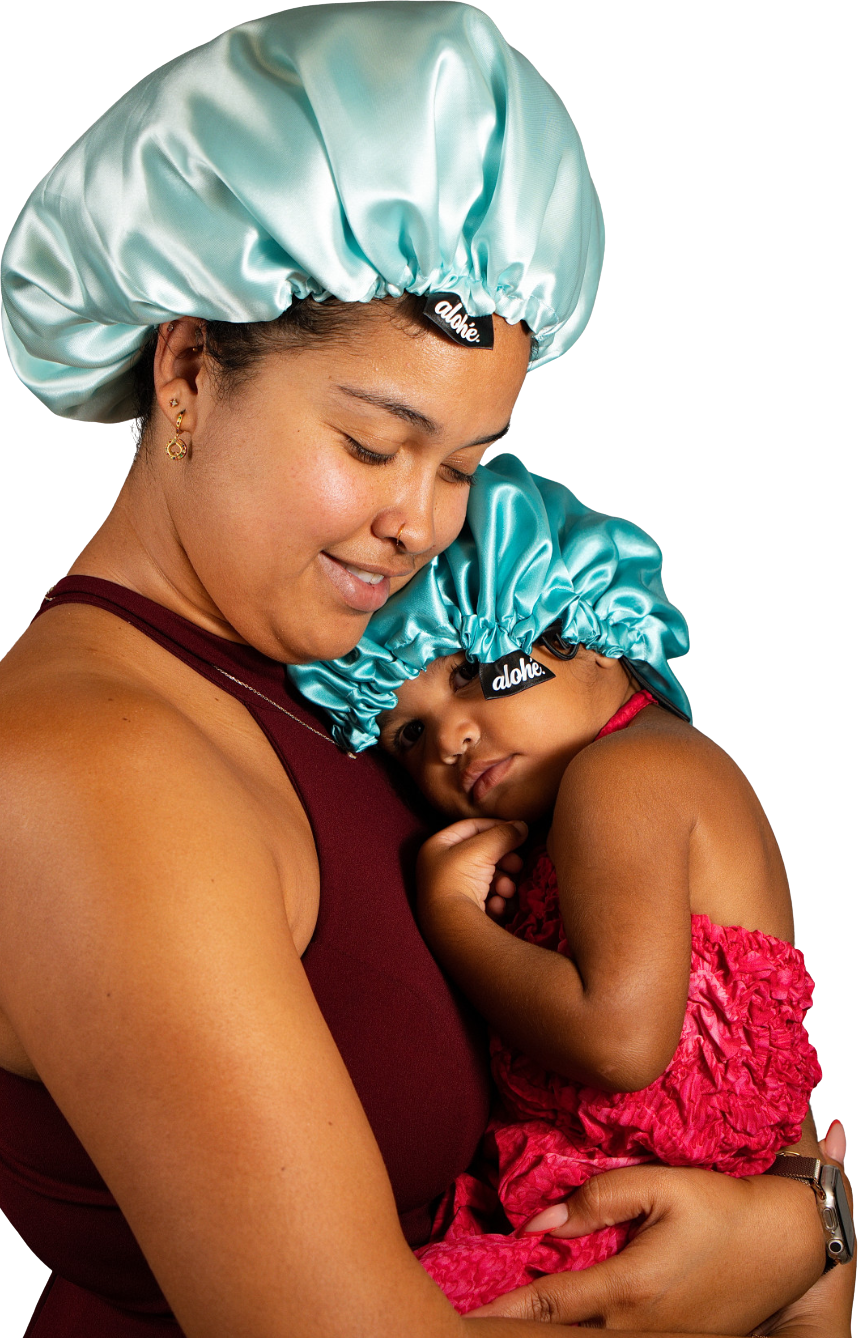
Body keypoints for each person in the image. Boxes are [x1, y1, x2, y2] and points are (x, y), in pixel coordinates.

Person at [0, 6, 851, 1335]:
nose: (418, 523)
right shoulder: (91, 772)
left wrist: (794, 1216)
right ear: (186, 372)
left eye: (463, 464)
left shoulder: (353, 683)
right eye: (370, 445)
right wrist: (782, 1250)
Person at [289, 455, 841, 1314]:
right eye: (408, 737)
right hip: (680, 1225)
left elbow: (618, 1042)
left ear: (580, 629)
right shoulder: (628, 782)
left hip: (638, 1234)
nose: (450, 740)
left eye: (468, 673)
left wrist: (452, 920)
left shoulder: (623, 777)